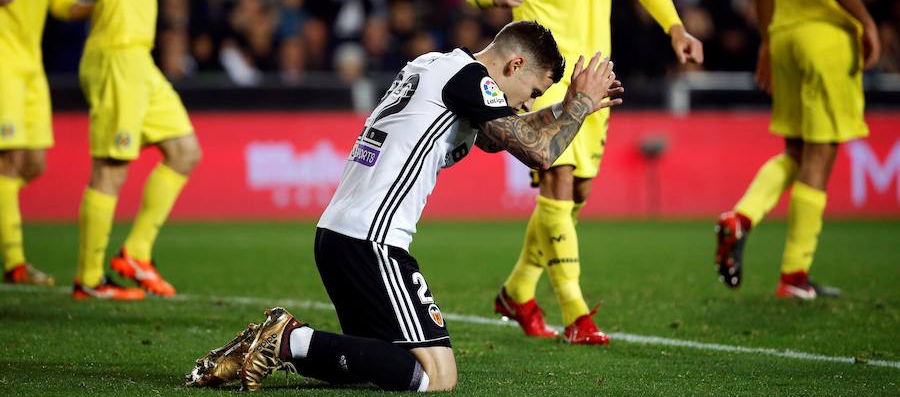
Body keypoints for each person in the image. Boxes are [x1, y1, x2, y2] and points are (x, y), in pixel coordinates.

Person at [185, 21, 624, 392]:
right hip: (372, 241)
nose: (529, 103)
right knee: (437, 377)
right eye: (531, 90)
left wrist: (568, 108)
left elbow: (498, 138)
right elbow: (540, 153)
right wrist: (581, 106)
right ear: (514, 65)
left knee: (377, 366)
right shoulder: (471, 79)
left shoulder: (437, 65)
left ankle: (257, 350)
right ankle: (285, 340)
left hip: (340, 234)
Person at [462, 0, 703, 343]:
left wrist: (676, 27)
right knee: (557, 177)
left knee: (574, 196)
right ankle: (576, 314)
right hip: (542, 77)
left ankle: (517, 292)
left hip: (596, 74)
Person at [72, 0, 256, 301]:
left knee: (184, 152)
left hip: (138, 60)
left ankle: (135, 252)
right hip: (115, 55)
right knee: (111, 169)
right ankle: (89, 280)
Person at [715, 0, 878, 300]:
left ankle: (739, 217)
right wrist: (867, 21)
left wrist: (766, 40)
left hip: (784, 34)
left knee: (795, 151)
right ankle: (794, 275)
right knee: (821, 154)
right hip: (824, 36)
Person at [0, 0, 93, 286]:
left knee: (33, 164)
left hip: (31, 65)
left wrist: (95, 4)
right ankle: (16, 262)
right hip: (3, 60)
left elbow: (59, 1)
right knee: (10, 160)